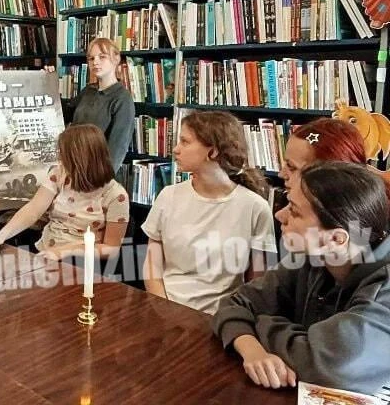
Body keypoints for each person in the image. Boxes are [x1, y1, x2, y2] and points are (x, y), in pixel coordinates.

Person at [212, 161, 390, 395]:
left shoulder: (384, 286)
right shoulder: (315, 257)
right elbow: (234, 303)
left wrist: (262, 321)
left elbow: (331, 366)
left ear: (336, 239)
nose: (279, 214)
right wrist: (252, 350)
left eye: (294, 211)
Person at [142, 111, 276, 314]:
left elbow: (256, 284)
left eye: (185, 142)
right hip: (165, 311)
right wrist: (165, 310)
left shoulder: (255, 207)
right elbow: (152, 266)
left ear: (212, 152)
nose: (176, 149)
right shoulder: (168, 196)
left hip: (222, 318)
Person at [0, 124, 129, 261]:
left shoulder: (116, 196)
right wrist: (0, 236)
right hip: (45, 252)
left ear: (80, 160)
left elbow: (111, 249)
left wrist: (65, 251)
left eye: (64, 155)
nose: (60, 159)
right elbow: (33, 210)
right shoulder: (60, 174)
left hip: (83, 264)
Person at [69, 37, 135, 173]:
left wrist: (101, 178)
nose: (95, 62)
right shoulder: (88, 91)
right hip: (73, 166)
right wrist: (48, 81)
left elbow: (117, 148)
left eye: (102, 57)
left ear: (115, 59)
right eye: (91, 58)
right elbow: (61, 114)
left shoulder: (122, 98)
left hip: (95, 173)